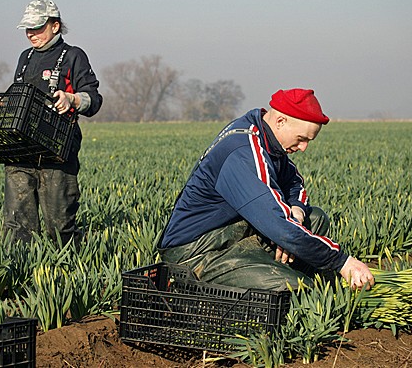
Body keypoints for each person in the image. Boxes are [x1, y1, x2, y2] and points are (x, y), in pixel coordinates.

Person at [157, 88, 375, 291]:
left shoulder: (266, 137)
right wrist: (342, 262)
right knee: (297, 289)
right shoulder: (243, 152)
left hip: (232, 234)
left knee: (314, 218)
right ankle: (288, 279)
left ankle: (280, 271)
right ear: (281, 121)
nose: (304, 148)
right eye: (301, 139)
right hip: (197, 252)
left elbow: (293, 182)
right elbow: (278, 225)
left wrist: (296, 212)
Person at [4, 0, 102, 245]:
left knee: (59, 224)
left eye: (36, 27)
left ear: (55, 26)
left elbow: (94, 99)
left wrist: (72, 98)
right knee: (17, 223)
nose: (30, 34)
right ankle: (20, 269)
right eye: (27, 28)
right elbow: (18, 96)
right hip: (21, 147)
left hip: (58, 147)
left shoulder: (73, 56)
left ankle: (67, 270)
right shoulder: (24, 58)